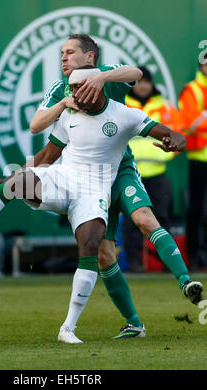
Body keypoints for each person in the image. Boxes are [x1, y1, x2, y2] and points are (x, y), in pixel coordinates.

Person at [0, 67, 188, 344]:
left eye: (79, 88)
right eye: (71, 89)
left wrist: (173, 142)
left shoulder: (124, 114)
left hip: (94, 191)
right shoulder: (68, 115)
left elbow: (174, 135)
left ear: (95, 86)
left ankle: (68, 328)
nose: (74, 94)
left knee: (92, 246)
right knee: (13, 187)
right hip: (62, 180)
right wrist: (9, 178)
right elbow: (47, 155)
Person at [28, 34, 204, 336]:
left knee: (144, 219)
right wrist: (63, 105)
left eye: (70, 52)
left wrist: (101, 78)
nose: (64, 58)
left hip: (119, 169)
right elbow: (37, 128)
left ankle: (185, 281)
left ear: (91, 57)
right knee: (104, 255)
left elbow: (136, 73)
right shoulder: (61, 89)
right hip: (86, 180)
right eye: (61, 53)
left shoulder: (112, 80)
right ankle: (135, 323)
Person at [123, 66, 184, 272]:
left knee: (162, 219)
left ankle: (168, 264)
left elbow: (178, 136)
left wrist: (167, 152)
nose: (143, 86)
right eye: (139, 82)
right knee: (131, 221)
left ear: (152, 84)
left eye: (147, 82)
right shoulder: (122, 105)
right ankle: (134, 263)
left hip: (157, 173)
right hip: (131, 173)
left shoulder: (165, 107)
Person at [178, 54, 207, 271]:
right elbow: (189, 122)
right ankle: (194, 258)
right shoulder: (192, 90)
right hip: (199, 158)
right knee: (196, 209)